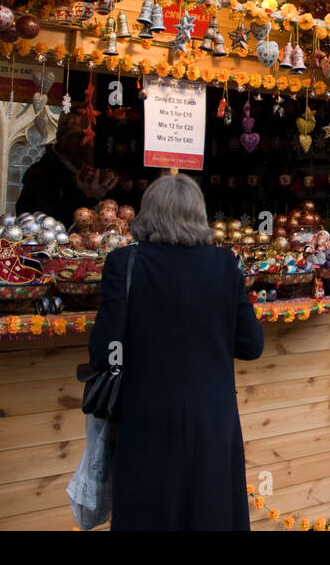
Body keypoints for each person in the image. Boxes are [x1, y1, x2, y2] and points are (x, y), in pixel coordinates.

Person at [86, 173, 264, 529]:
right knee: (210, 514)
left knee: (149, 515)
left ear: (147, 214)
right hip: (213, 419)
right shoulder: (225, 264)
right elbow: (251, 346)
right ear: (198, 214)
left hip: (145, 417)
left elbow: (108, 350)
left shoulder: (125, 263)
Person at [16, 112, 116, 227]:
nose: (83, 143)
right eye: (75, 136)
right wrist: (88, 197)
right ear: (60, 137)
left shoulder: (97, 171)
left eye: (88, 136)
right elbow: (46, 224)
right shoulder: (40, 175)